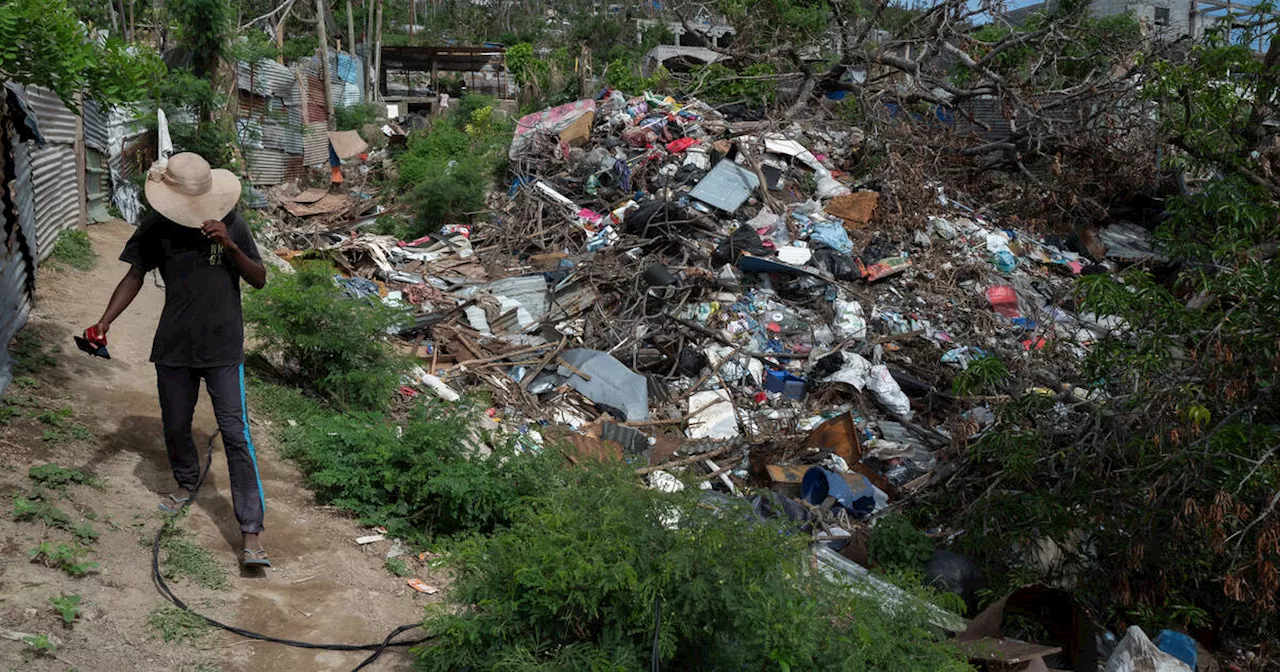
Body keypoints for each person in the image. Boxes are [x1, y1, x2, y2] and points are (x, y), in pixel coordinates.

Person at [89, 152, 271, 568]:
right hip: (174, 344)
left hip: (223, 346)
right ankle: (187, 482)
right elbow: (134, 274)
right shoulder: (157, 227)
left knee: (236, 434)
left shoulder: (232, 222)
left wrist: (228, 245)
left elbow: (259, 278)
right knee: (174, 424)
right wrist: (104, 321)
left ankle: (251, 534)